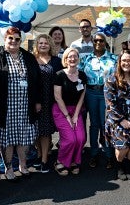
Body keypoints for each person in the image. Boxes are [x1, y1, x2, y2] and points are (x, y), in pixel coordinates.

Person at [0, 27, 41, 181]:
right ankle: (8, 168)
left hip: (25, 106)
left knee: (23, 137)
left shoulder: (28, 57)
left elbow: (36, 81)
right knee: (7, 138)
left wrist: (37, 101)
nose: (14, 41)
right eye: (11, 38)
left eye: (17, 39)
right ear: (5, 39)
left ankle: (23, 165)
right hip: (6, 106)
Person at [104, 50, 130, 180]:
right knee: (122, 147)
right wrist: (121, 120)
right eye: (124, 61)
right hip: (117, 120)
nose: (126, 63)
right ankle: (120, 166)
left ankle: (128, 164)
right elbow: (110, 104)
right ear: (119, 62)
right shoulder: (112, 79)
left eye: (129, 60)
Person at [79, 32, 117, 169]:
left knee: (105, 124)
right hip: (91, 93)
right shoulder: (87, 59)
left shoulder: (114, 58)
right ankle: (94, 153)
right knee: (94, 124)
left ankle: (108, 155)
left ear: (105, 42)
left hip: (106, 93)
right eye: (95, 41)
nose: (98, 43)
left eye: (101, 41)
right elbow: (78, 75)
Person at [52, 47, 87, 176]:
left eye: (75, 56)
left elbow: (83, 94)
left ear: (78, 59)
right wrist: (67, 116)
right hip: (61, 110)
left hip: (76, 109)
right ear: (65, 59)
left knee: (81, 138)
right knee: (70, 139)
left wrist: (76, 114)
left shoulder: (82, 75)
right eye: (69, 57)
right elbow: (57, 96)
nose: (72, 59)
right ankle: (60, 161)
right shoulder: (59, 75)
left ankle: (74, 161)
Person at [32, 34, 63, 173]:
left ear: (50, 45)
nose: (43, 45)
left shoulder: (57, 61)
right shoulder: (31, 60)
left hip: (49, 100)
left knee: (45, 131)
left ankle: (44, 159)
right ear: (36, 45)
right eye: (40, 43)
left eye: (46, 43)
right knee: (35, 130)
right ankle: (39, 155)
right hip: (33, 100)